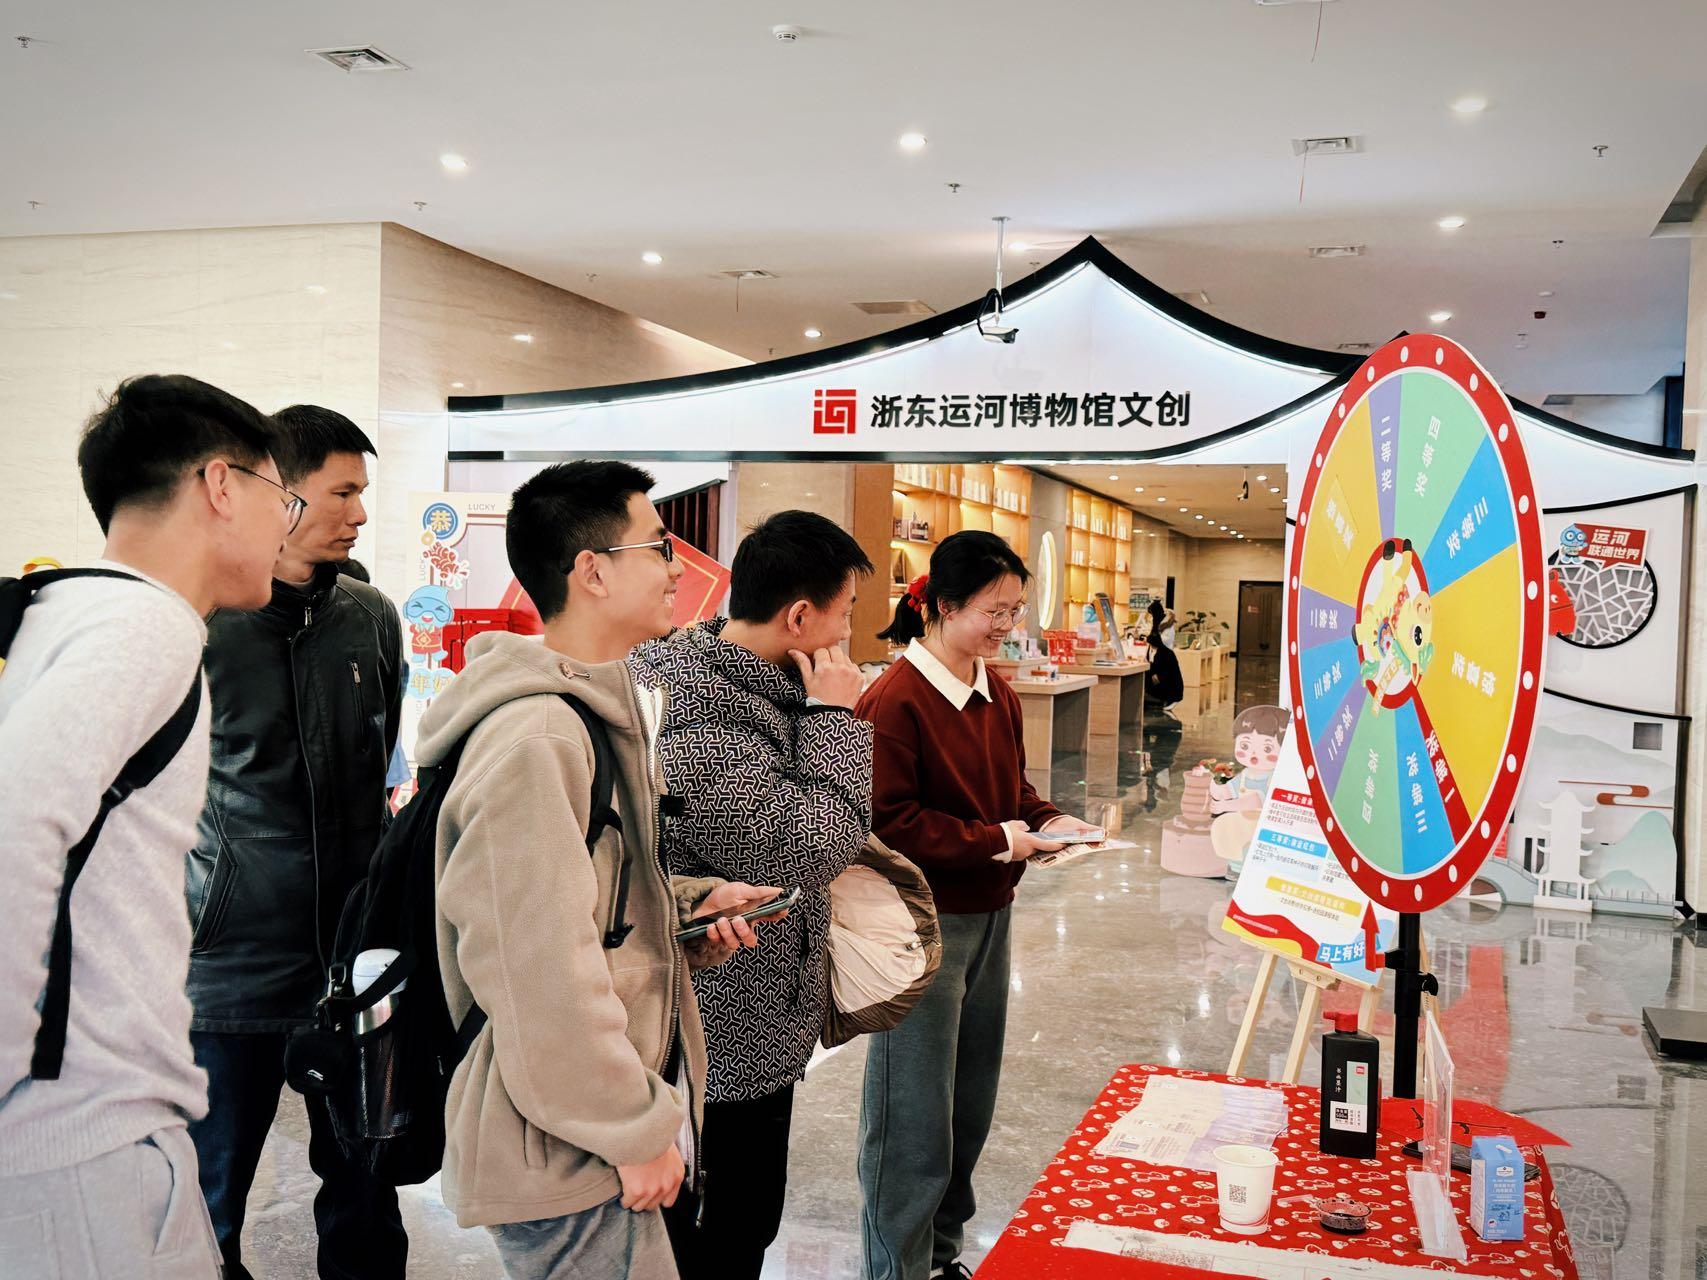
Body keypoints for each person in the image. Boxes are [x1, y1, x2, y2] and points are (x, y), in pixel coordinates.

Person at [418, 460, 781, 1280]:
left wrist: (683, 911)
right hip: (565, 1145)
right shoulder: (539, 738)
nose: (677, 568)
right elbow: (534, 967)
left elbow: (580, 901)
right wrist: (630, 1131)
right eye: (658, 546)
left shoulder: (589, 709)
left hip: (583, 1121)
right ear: (592, 571)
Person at [0, 374, 290, 1278]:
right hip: (79, 1145)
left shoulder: (59, 608)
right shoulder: (142, 626)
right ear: (221, 485)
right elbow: (14, 833)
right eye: (281, 497)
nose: (285, 527)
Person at [184, 404, 407, 1280]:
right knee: (206, 1204)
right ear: (279, 492)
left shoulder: (370, 616)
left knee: (366, 1192)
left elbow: (382, 766)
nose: (359, 513)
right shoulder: (199, 622)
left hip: (354, 961)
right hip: (230, 963)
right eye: (342, 492)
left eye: (362, 492)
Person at [631, 510, 876, 1280]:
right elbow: (810, 846)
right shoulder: (695, 707)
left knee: (747, 1219)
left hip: (764, 1018)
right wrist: (835, 715)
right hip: (718, 1036)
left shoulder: (763, 683)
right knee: (722, 1234)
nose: (849, 633)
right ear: (800, 617)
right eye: (845, 612)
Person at [855, 531, 1101, 1280]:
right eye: (993, 611)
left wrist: (1051, 821)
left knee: (968, 1102)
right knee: (912, 1114)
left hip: (991, 913)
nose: (1006, 626)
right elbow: (888, 824)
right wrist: (999, 839)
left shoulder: (997, 692)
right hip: (920, 925)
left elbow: (1012, 792)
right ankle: (897, 1269)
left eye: (1014, 610)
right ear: (943, 605)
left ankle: (940, 1257)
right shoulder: (894, 699)